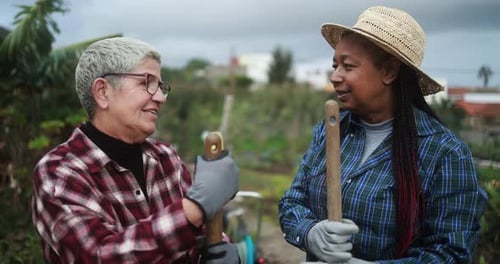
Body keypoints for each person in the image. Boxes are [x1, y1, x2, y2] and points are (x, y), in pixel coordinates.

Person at [278, 6, 487, 263]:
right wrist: (309, 233)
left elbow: (450, 253)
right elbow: (292, 201)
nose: (335, 76)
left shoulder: (445, 154)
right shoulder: (330, 132)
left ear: (388, 72)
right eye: (335, 65)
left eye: (348, 66)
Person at [31, 37, 240, 263]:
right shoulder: (60, 174)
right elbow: (98, 255)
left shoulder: (166, 158)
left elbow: (202, 230)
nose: (160, 97)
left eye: (161, 86)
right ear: (103, 92)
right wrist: (195, 206)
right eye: (146, 83)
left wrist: (218, 247)